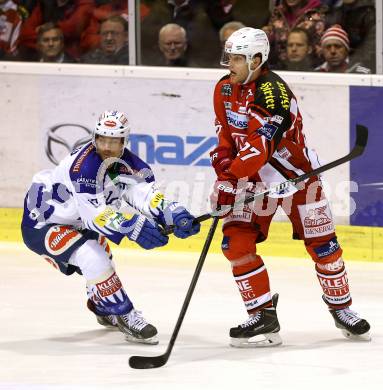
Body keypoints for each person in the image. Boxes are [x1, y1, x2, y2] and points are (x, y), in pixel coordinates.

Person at [209, 27, 370, 347]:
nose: (230, 65)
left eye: (237, 59)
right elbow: (224, 134)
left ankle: (342, 308)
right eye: (229, 58)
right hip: (251, 180)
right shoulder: (225, 88)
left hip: (296, 178)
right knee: (235, 244)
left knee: (324, 247)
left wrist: (232, 179)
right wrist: (223, 171)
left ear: (257, 59)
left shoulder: (273, 93)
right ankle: (262, 314)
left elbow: (259, 147)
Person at [21, 110, 200, 344]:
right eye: (101, 139)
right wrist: (134, 226)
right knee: (93, 257)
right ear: (95, 137)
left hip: (73, 219)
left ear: (124, 142)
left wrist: (172, 212)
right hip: (43, 222)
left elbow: (144, 194)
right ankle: (124, 314)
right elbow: (94, 217)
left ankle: (104, 308)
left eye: (113, 141)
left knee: (103, 259)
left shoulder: (130, 164)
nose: (105, 146)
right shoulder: (83, 168)